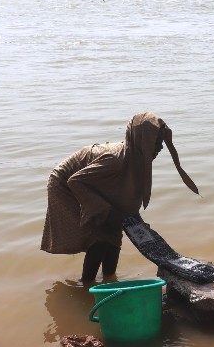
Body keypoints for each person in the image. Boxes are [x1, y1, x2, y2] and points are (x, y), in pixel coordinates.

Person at [40, 112, 200, 281]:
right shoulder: (115, 159)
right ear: (141, 140)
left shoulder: (136, 158)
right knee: (99, 236)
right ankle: (87, 283)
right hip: (64, 183)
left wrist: (130, 219)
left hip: (93, 182)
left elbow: (125, 198)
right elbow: (75, 182)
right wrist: (106, 211)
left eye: (161, 142)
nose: (160, 147)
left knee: (114, 231)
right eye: (156, 142)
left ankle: (109, 278)